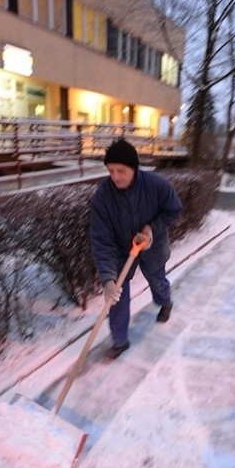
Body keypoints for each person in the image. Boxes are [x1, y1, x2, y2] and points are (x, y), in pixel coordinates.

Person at [89, 139, 183, 357]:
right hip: (123, 249)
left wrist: (152, 228)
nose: (115, 176)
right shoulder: (104, 196)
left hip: (153, 245)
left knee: (157, 281)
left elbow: (174, 209)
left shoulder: (156, 185)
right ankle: (120, 341)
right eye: (111, 170)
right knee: (117, 295)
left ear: (134, 167)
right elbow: (101, 239)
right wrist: (108, 279)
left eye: (121, 170)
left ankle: (165, 302)